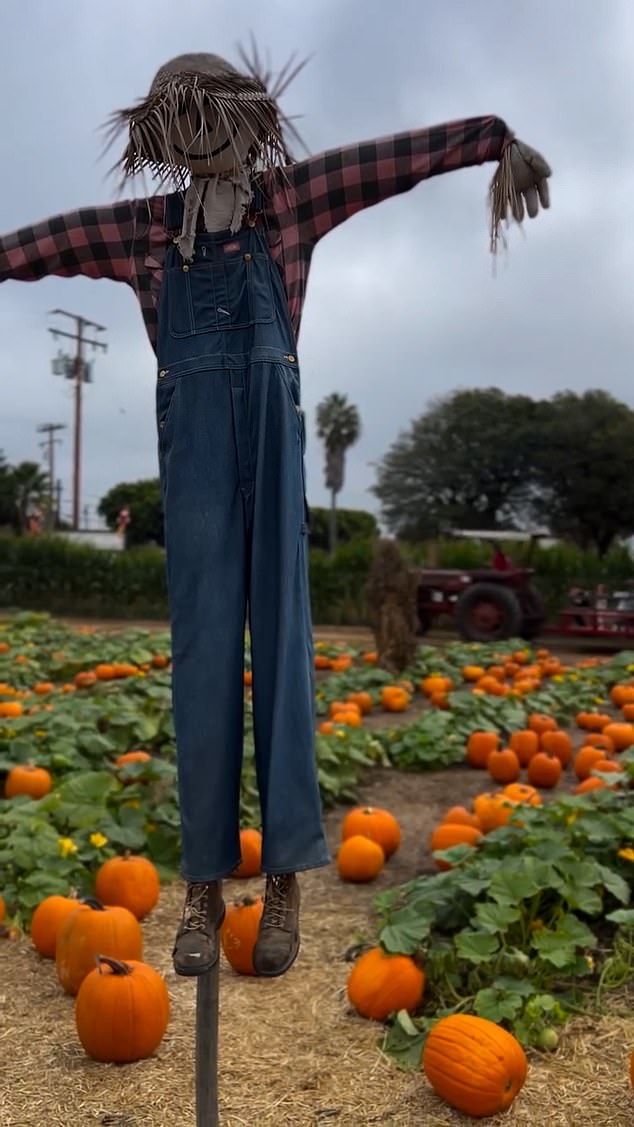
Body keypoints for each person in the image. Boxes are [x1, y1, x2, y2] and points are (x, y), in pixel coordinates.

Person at [0, 49, 552, 978]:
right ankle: (205, 885)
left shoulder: (290, 204)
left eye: (218, 117)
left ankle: (287, 874)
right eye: (186, 123)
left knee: (287, 648)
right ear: (163, 137)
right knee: (203, 655)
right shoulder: (141, 232)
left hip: (271, 434)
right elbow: (40, 244)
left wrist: (490, 142)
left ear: (251, 121)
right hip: (198, 461)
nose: (205, 137)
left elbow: (393, 159)